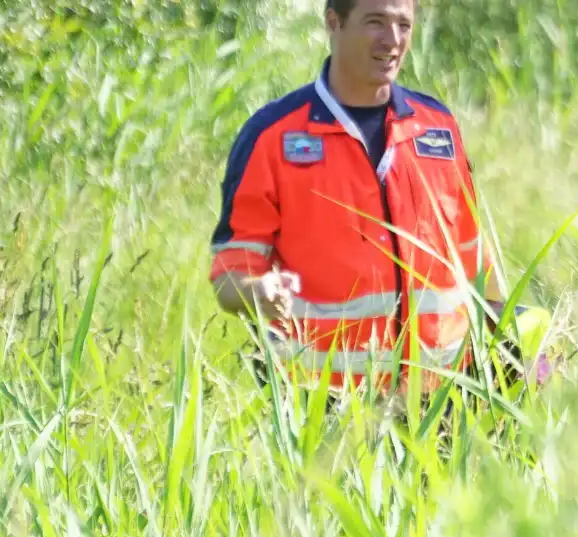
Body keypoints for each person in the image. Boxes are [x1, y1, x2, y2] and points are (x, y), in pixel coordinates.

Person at [208, 0, 505, 398]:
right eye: (376, 22)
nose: (393, 40)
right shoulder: (270, 137)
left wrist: (512, 347)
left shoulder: (437, 128)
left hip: (442, 401)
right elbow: (230, 275)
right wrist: (259, 293)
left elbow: (473, 257)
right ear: (334, 23)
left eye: (404, 24)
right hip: (322, 406)